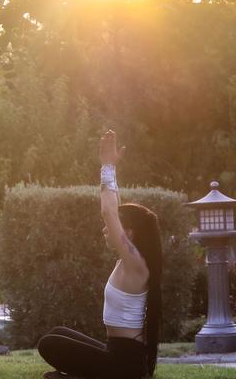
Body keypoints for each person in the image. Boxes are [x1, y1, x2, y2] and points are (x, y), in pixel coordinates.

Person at [38, 130, 163, 379]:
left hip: (125, 364)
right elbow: (113, 209)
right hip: (115, 351)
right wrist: (111, 168)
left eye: (114, 226)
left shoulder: (136, 265)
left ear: (129, 232)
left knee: (47, 345)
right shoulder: (129, 258)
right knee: (57, 334)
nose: (106, 229)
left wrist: (107, 165)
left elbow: (109, 212)